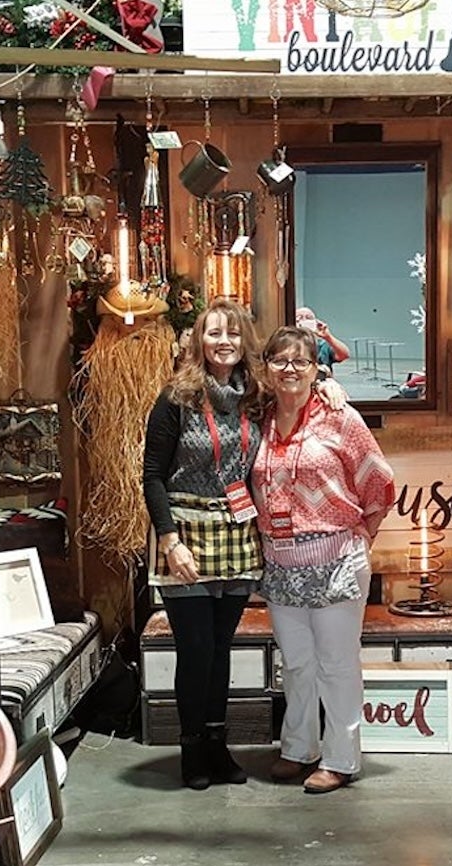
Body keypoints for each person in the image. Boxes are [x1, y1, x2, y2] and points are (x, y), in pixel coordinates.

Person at [253, 327, 395, 794]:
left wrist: (363, 534)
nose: (290, 368)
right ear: (267, 368)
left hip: (336, 559)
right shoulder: (261, 420)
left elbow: (379, 481)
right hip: (281, 562)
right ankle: (298, 748)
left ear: (317, 369)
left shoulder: (340, 417)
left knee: (337, 665)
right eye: (280, 360)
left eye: (301, 360)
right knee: (295, 664)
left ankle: (340, 758)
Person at [143, 300, 267, 790]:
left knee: (221, 649)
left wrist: (333, 387)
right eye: (214, 333)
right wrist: (170, 540)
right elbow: (152, 476)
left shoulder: (255, 396)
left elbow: (307, 383)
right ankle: (192, 750)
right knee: (195, 650)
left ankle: (219, 745)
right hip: (187, 535)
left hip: (237, 533)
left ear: (244, 341)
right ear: (199, 341)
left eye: (233, 334)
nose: (224, 342)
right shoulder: (177, 396)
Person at [295, 306, 351, 373]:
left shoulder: (323, 345)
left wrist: (328, 337)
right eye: (299, 318)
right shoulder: (287, 345)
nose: (304, 320)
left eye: (309, 318)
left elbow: (344, 355)